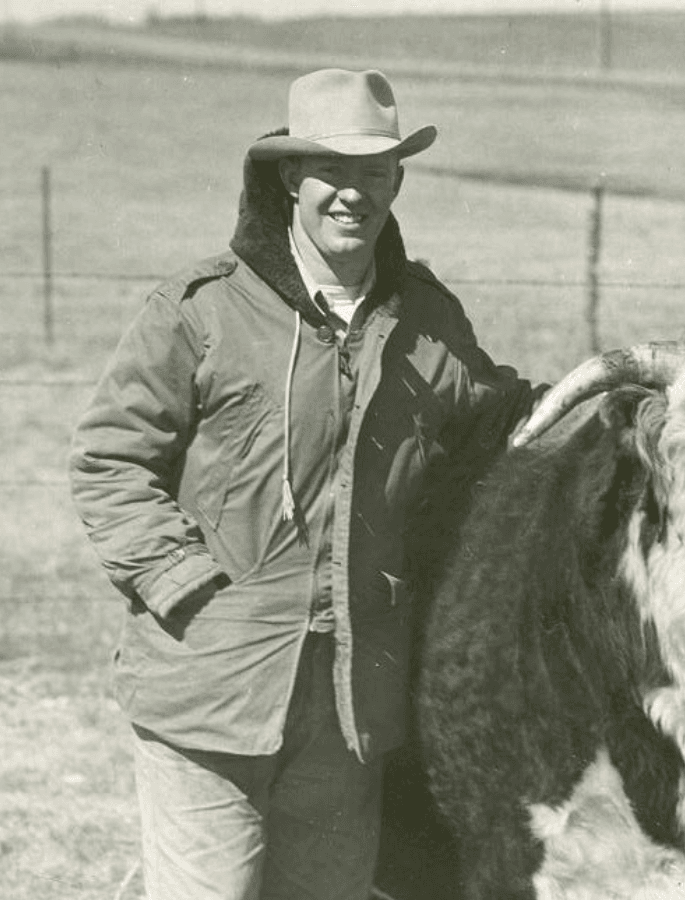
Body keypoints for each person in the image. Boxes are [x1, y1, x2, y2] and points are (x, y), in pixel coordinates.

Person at [69, 68, 536, 900]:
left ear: (398, 180)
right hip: (207, 691)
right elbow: (111, 460)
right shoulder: (200, 310)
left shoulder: (428, 321)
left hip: (351, 708)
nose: (354, 195)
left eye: (377, 172)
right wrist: (185, 587)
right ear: (291, 178)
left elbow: (508, 427)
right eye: (334, 172)